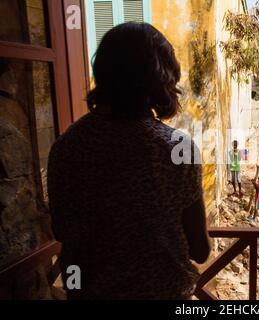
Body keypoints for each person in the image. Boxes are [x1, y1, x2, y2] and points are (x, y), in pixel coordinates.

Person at [47, 22, 210, 300]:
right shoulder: (176, 150)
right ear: (160, 79)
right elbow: (200, 250)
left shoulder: (67, 146)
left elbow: (61, 229)